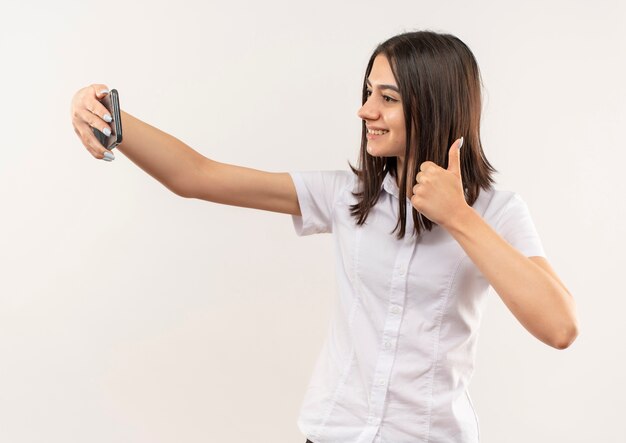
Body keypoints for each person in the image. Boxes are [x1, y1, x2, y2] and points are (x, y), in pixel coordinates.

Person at [70, 30, 578, 443]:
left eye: (387, 98)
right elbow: (197, 176)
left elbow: (559, 326)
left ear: (434, 104)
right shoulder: (346, 197)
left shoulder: (497, 212)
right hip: (333, 431)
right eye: (366, 93)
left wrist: (459, 218)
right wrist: (110, 117)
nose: (365, 111)